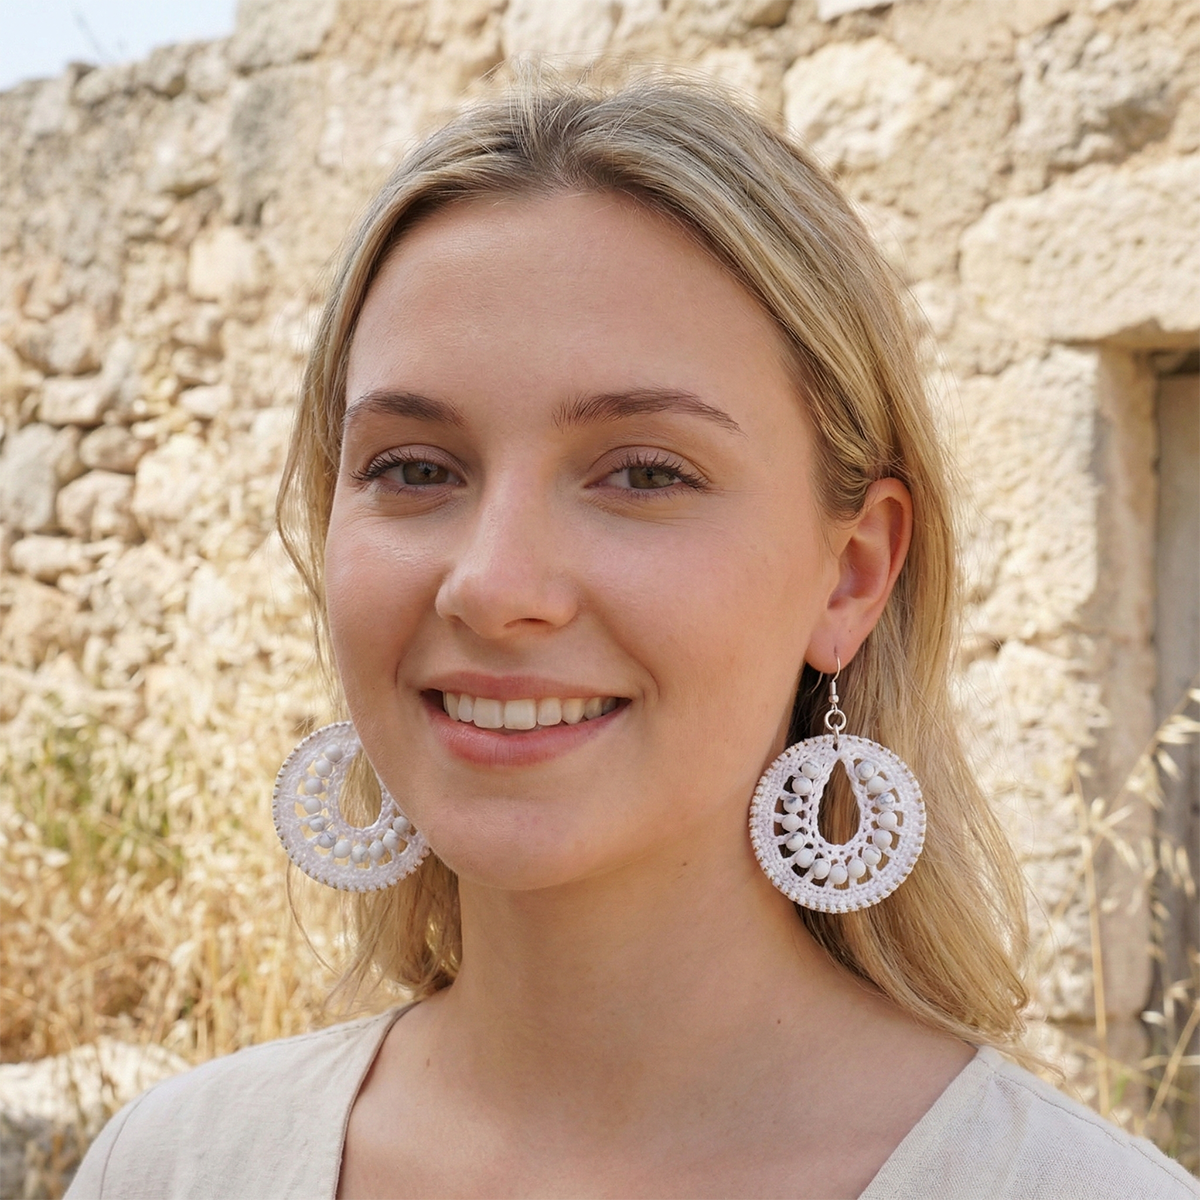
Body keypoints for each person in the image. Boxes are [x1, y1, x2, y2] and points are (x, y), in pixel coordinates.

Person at [67, 72, 1198, 1199]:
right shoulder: (171, 1168)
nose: (494, 583)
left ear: (851, 575)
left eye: (646, 473)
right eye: (414, 468)